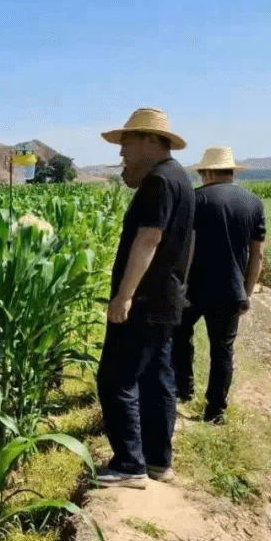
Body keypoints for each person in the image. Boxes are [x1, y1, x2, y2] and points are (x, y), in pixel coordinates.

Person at [95, 107, 196, 488]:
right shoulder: (180, 179)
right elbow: (186, 242)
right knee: (157, 379)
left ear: (153, 141)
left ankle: (128, 465)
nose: (122, 152)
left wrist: (123, 295)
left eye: (128, 142)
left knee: (115, 377)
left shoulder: (158, 181)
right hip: (164, 298)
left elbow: (149, 238)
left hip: (144, 300)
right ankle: (157, 461)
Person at [172, 147, 266, 424]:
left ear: (208, 172)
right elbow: (257, 253)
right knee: (222, 351)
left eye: (201, 173)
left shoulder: (195, 199)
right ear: (231, 172)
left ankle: (182, 389)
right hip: (230, 290)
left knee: (179, 337)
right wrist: (247, 293)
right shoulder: (254, 202)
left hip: (195, 288)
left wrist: (183, 286)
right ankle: (215, 411)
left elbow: (188, 248)